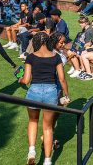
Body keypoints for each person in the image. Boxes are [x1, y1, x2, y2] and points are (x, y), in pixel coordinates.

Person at [19, 32, 70, 165]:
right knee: (47, 128)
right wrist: (66, 95)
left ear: (35, 42)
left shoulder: (30, 57)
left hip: (34, 91)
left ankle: (31, 151)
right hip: (51, 92)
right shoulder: (56, 57)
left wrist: (20, 80)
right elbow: (62, 79)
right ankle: (47, 160)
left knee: (33, 121)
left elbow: (27, 80)